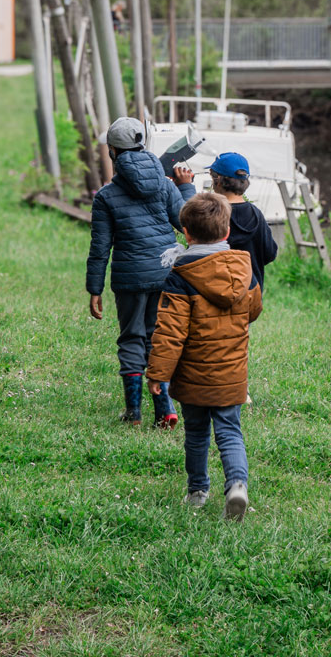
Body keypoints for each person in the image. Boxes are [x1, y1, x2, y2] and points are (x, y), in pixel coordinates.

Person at [147, 192, 262, 521]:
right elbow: (253, 310)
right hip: (231, 372)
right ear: (227, 232)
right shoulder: (245, 269)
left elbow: (170, 332)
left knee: (196, 433)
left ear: (185, 233)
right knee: (230, 431)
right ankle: (237, 485)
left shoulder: (181, 276)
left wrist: (158, 374)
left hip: (193, 374)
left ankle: (198, 491)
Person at [87, 116, 196, 428]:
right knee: (159, 338)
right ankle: (165, 409)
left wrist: (94, 288)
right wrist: (186, 188)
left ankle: (133, 413)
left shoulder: (106, 196)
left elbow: (100, 247)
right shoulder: (164, 184)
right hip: (166, 275)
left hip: (130, 280)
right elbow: (187, 225)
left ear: (112, 152)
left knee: (133, 338)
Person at [208, 152, 278, 293]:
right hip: (250, 296)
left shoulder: (213, 214)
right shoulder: (257, 215)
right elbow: (270, 253)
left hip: (218, 294)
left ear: (218, 180)